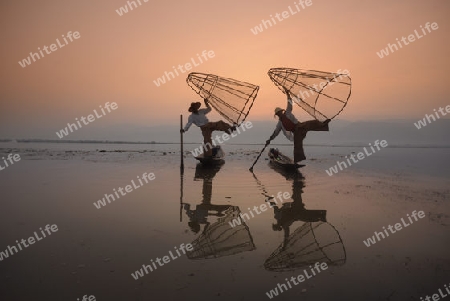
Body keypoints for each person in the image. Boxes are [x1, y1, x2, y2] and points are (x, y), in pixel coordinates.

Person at [266, 88, 331, 163]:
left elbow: (289, 103)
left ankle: (324, 124)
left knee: (311, 123)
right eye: (278, 114)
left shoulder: (287, 113)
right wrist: (270, 139)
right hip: (296, 133)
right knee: (297, 146)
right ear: (277, 115)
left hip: (300, 126)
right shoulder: (280, 123)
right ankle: (296, 161)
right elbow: (276, 132)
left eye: (279, 112)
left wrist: (288, 94)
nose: (279, 114)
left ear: (281, 112)